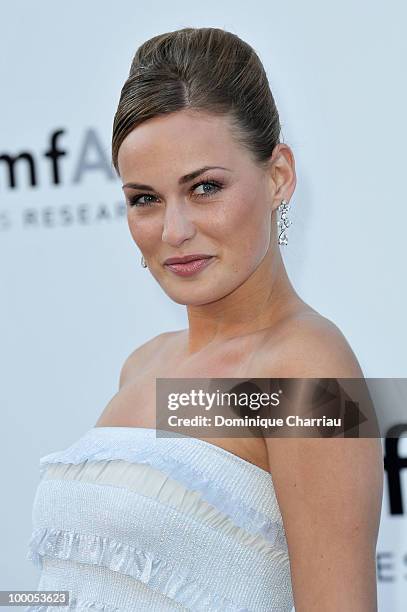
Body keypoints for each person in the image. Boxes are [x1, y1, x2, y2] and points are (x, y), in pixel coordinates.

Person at [26, 27, 384, 611]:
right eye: (145, 198)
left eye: (205, 188)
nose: (174, 232)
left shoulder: (306, 376)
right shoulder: (143, 365)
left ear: (279, 177)